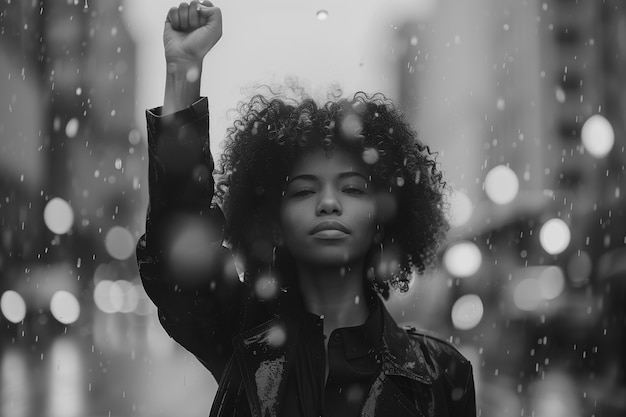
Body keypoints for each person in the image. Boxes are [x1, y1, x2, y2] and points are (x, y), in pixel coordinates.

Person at [136, 2, 476, 416]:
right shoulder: (240, 332)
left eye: (351, 189)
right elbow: (177, 250)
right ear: (274, 222)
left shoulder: (441, 373)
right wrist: (183, 69)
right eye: (302, 191)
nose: (328, 203)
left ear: (383, 216)